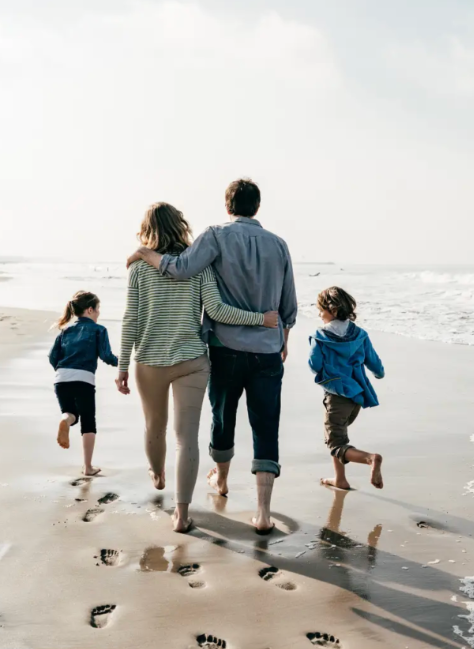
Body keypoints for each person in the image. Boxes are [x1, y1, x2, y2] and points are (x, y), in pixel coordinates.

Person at [129, 179, 296, 535]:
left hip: (225, 349)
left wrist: (144, 254)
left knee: (223, 418)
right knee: (266, 426)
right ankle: (264, 513)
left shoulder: (216, 236)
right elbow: (288, 305)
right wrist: (284, 336)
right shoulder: (279, 245)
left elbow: (179, 269)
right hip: (267, 350)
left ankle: (220, 480)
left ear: (227, 205)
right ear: (258, 206)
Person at [308, 286, 385, 491]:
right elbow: (374, 363)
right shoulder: (359, 334)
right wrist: (379, 374)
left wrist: (325, 371)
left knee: (335, 443)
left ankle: (370, 458)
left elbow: (314, 364)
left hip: (336, 395)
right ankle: (340, 479)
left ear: (331, 310)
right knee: (339, 435)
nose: (319, 314)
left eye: (321, 310)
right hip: (358, 394)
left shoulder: (320, 336)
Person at [49, 291, 118, 476]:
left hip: (61, 378)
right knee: (88, 422)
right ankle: (87, 467)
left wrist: (62, 370)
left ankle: (65, 420)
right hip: (84, 379)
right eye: (97, 309)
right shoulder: (99, 330)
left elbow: (53, 357)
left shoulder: (65, 331)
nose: (98, 314)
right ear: (89, 310)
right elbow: (106, 356)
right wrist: (121, 362)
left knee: (70, 413)